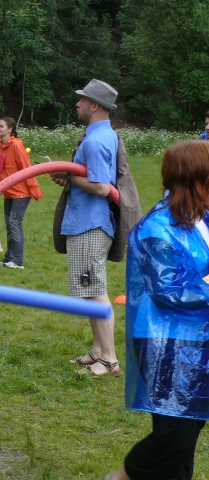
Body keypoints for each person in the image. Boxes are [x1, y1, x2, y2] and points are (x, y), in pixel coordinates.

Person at [101, 141, 209, 480]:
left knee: (188, 431)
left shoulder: (202, 219)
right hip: (167, 344)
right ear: (196, 176)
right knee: (173, 437)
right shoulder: (156, 228)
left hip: (199, 340)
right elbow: (169, 290)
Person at [49, 79, 120, 377]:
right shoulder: (102, 134)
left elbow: (102, 187)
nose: (77, 104)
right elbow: (92, 179)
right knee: (90, 291)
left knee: (95, 291)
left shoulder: (95, 140)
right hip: (87, 222)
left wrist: (68, 174)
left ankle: (110, 360)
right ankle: (98, 351)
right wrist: (68, 178)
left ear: (94, 105)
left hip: (90, 224)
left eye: (81, 100)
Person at [0, 117, 43, 269]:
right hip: (8, 191)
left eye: (1, 126)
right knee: (9, 225)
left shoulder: (16, 145)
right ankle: (9, 257)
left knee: (14, 223)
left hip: (21, 193)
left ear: (10, 129)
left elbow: (27, 169)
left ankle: (17, 261)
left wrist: (34, 190)